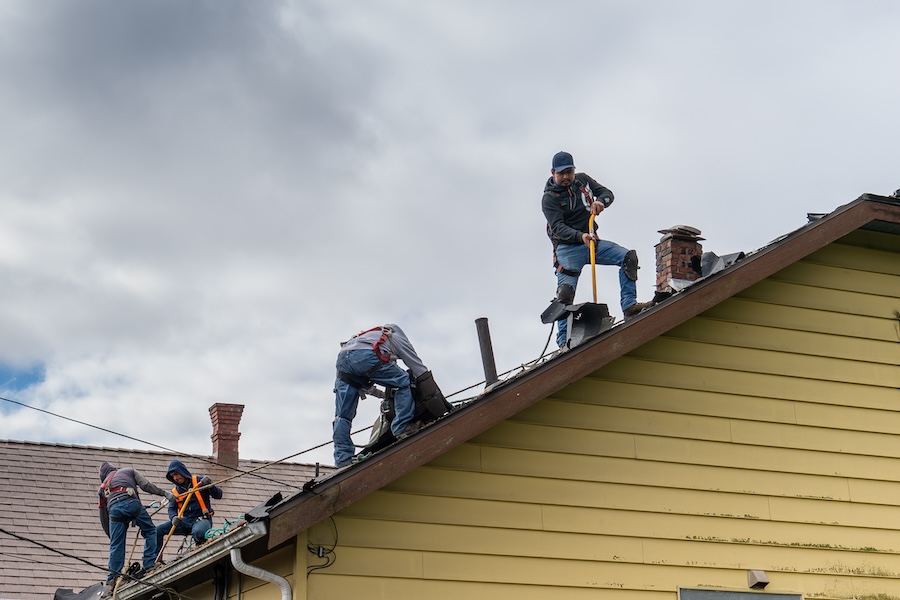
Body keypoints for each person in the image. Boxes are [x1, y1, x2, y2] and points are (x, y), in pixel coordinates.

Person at [542, 150, 655, 346]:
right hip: (568, 249)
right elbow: (558, 228)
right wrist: (580, 236)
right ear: (553, 173)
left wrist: (600, 202)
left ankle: (629, 305)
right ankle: (563, 341)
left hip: (592, 243)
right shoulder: (549, 199)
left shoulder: (583, 181)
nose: (566, 177)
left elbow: (607, 193)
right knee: (565, 294)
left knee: (627, 257)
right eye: (562, 173)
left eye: (569, 172)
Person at [333, 324, 429, 467]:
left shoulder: (365, 337)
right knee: (404, 381)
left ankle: (342, 458)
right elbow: (418, 369)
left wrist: (384, 395)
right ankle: (402, 427)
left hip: (342, 360)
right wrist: (429, 387)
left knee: (342, 416)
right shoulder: (397, 337)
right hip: (364, 357)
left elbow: (367, 381)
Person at [98, 461, 174, 586]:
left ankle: (112, 577)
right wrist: (164, 493)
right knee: (150, 530)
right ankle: (149, 563)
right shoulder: (128, 471)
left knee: (116, 545)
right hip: (131, 503)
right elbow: (146, 485)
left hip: (114, 512)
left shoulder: (102, 487)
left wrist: (111, 536)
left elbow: (103, 517)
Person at [155, 459, 223, 553]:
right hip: (185, 522)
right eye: (172, 476)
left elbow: (218, 495)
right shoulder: (175, 492)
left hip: (201, 519)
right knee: (158, 530)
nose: (175, 478)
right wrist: (173, 517)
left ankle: (200, 549)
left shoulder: (199, 482)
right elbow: (171, 508)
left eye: (176, 474)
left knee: (199, 533)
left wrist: (211, 485)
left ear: (182, 471)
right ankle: (155, 560)